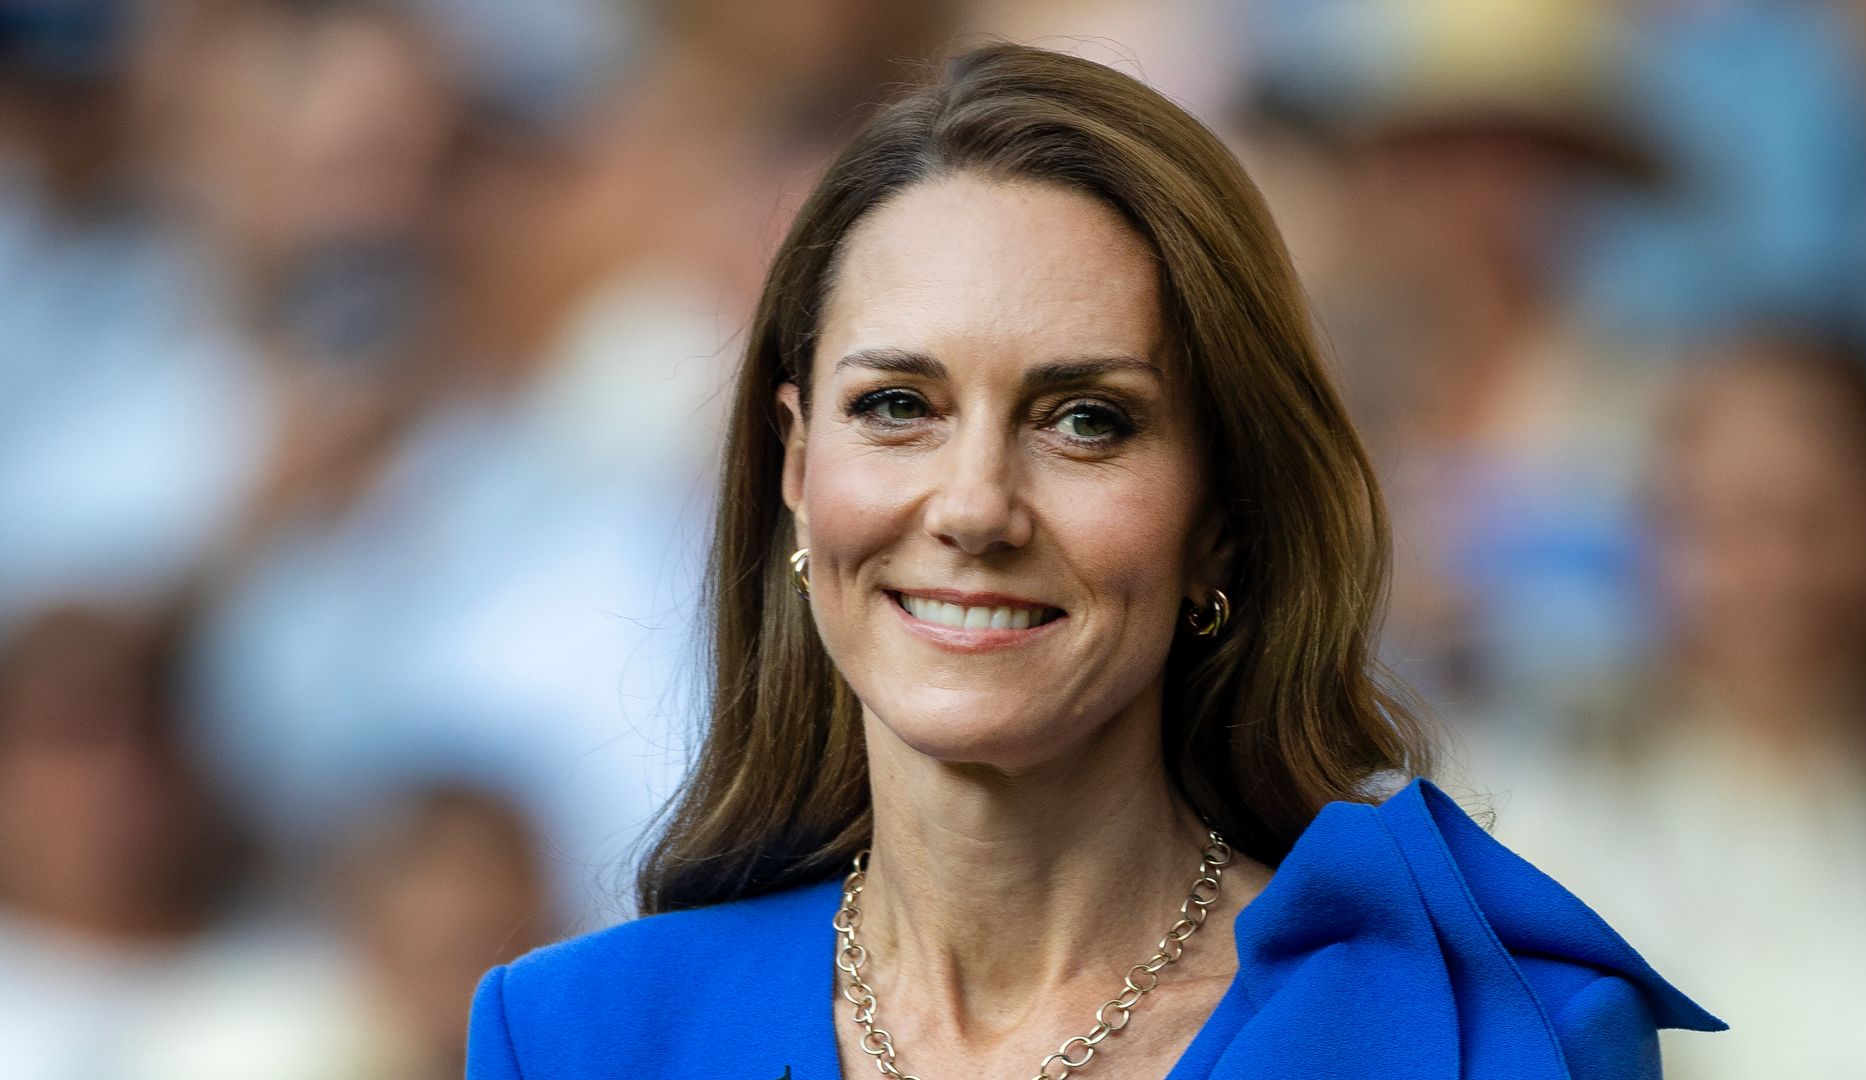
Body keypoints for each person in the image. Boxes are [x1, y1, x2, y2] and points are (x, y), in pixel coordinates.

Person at [465, 44, 1723, 1079]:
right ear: (796, 468)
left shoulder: (1503, 1042)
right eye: (898, 404)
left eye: (1086, 421)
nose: (973, 506)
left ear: (1223, 513)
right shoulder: (575, 1038)